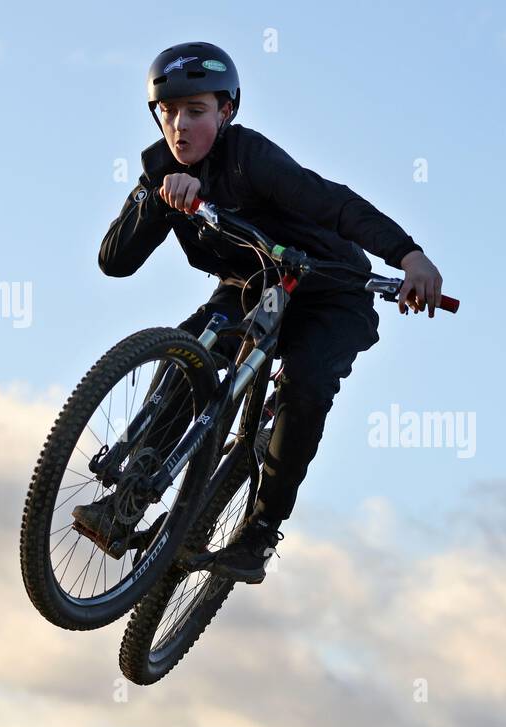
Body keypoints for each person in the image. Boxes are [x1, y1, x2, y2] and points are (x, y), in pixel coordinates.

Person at [79, 41, 445, 584]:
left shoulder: (253, 159)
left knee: (305, 386)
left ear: (226, 112)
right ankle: (131, 496)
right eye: (167, 112)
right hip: (251, 283)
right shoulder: (161, 172)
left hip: (328, 292)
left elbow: (336, 204)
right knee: (192, 347)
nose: (178, 125)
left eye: (196, 111)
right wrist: (154, 200)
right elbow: (114, 262)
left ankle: (260, 530)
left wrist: (409, 254)